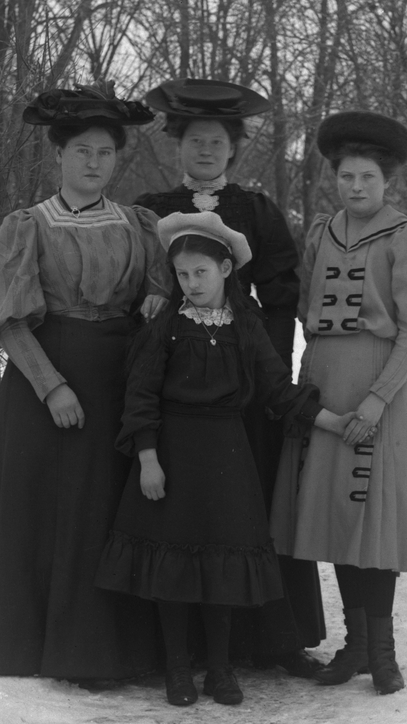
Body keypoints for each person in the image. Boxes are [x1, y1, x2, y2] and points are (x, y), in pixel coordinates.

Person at [94, 212, 355, 707]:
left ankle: (219, 669)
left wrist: (332, 422)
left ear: (226, 269)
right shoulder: (166, 327)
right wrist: (148, 460)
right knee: (172, 567)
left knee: (223, 564)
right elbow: (141, 398)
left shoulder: (246, 326)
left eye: (201, 272)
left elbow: (278, 389)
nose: (191, 284)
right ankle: (177, 670)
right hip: (173, 456)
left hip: (228, 458)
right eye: (182, 274)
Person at [0, 83, 171, 682]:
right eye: (82, 150)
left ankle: (104, 646)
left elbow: (161, 288)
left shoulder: (139, 225)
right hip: (45, 383)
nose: (94, 162)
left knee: (105, 507)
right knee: (47, 509)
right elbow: (6, 320)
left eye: (105, 153)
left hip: (118, 382)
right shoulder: (27, 226)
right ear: (59, 155)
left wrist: (157, 299)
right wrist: (51, 386)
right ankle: (38, 643)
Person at [136, 78, 327, 677]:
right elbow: (137, 286)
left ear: (232, 149)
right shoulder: (151, 208)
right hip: (177, 388)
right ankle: (177, 647)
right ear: (177, 144)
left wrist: (265, 369)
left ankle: (275, 641)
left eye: (217, 141)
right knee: (177, 511)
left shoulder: (257, 209)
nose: (206, 150)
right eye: (196, 140)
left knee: (253, 508)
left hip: (244, 388)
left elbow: (282, 291)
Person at [270, 110, 407, 695]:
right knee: (337, 520)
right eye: (346, 176)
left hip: (380, 384)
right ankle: (356, 646)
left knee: (374, 520)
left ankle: (384, 653)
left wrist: (376, 400)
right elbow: (308, 313)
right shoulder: (322, 232)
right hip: (325, 380)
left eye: (367, 176)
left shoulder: (406, 237)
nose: (356, 187)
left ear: (386, 180)